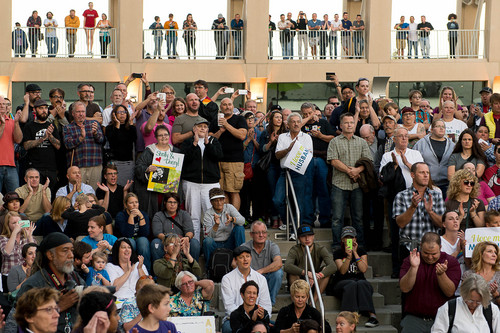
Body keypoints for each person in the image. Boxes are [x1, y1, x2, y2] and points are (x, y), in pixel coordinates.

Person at [16, 232, 85, 333]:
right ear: (50, 255)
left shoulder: (74, 277)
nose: (71, 255)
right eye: (65, 251)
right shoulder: (34, 284)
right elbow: (23, 319)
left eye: (72, 251)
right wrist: (58, 307)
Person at [399, 232, 461, 332]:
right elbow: (405, 288)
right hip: (414, 318)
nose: (430, 257)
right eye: (426, 253)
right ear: (420, 247)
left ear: (440, 248)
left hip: (442, 319)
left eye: (434, 254)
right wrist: (414, 268)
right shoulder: (410, 260)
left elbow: (449, 292)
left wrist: (441, 275)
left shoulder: (451, 262)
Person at [328, 112, 372, 248]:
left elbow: (367, 161)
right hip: (339, 184)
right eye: (346, 122)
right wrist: (349, 171)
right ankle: (337, 245)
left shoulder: (361, 142)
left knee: (358, 218)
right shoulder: (334, 142)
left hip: (357, 185)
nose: (349, 125)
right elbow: (333, 161)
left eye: (352, 123)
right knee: (337, 218)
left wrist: (357, 171)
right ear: (341, 125)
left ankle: (360, 245)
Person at [179, 118, 223, 242]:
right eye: (200, 126)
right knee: (193, 216)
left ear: (208, 130)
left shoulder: (214, 141)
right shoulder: (188, 142)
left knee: (210, 215)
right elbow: (185, 160)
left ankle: (211, 243)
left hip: (210, 184)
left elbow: (218, 156)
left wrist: (207, 144)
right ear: (194, 129)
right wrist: (194, 144)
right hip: (191, 182)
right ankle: (195, 245)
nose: (203, 128)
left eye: (205, 126)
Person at [393, 162, 445, 258]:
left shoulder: (436, 195)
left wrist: (430, 212)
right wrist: (412, 207)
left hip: (431, 251)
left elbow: (442, 224)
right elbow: (400, 223)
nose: (426, 175)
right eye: (422, 172)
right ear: (412, 175)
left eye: (427, 173)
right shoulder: (401, 196)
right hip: (408, 248)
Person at [332, 226, 379, 327]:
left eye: (351, 237)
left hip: (359, 282)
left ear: (355, 239)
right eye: (346, 237)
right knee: (352, 284)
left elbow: (363, 269)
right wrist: (348, 257)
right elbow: (343, 271)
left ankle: (372, 316)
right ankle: (348, 316)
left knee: (363, 283)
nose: (349, 240)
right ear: (342, 239)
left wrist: (355, 253)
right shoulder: (338, 253)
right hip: (341, 283)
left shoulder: (361, 252)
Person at [273, 112, 314, 227]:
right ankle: (288, 221)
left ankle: (296, 229)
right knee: (277, 200)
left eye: (298, 122)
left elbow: (308, 156)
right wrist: (289, 149)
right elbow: (277, 155)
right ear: (288, 124)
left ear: (301, 124)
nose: (296, 124)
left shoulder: (307, 138)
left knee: (299, 202)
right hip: (284, 172)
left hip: (299, 173)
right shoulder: (282, 137)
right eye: (293, 122)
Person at [221, 246, 271, 333]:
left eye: (247, 256)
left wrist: (261, 315)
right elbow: (229, 307)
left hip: (257, 319)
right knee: (228, 329)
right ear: (235, 260)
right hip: (234, 319)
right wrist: (249, 317)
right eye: (241, 257)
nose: (245, 260)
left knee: (272, 328)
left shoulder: (261, 278)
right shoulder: (227, 279)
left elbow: (266, 305)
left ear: (251, 258)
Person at [209, 98, 248, 210]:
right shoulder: (215, 120)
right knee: (222, 192)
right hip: (218, 161)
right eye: (224, 105)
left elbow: (241, 136)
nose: (227, 107)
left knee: (234, 191)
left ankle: (234, 220)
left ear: (233, 106)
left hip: (234, 161)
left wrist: (226, 124)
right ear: (221, 107)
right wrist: (220, 131)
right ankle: (225, 220)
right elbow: (210, 139)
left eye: (229, 104)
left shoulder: (239, 119)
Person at [134, 125, 179, 218]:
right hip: (153, 194)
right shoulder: (149, 151)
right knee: (154, 215)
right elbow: (138, 167)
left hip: (169, 191)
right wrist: (147, 169)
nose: (163, 137)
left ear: (169, 136)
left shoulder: (176, 152)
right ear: (156, 137)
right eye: (160, 135)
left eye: (166, 135)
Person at [284, 225, 335, 304]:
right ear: (299, 238)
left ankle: (312, 303)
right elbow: (287, 266)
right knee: (292, 273)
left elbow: (333, 266)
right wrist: (306, 273)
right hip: (300, 280)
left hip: (316, 281)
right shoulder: (295, 249)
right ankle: (300, 302)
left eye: (310, 235)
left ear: (313, 236)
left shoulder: (320, 249)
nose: (307, 239)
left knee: (326, 270)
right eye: (303, 236)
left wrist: (318, 276)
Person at [432, 273, 500, 332]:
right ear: (463, 294)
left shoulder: (492, 310)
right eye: (470, 300)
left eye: (478, 302)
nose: (474, 304)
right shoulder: (449, 308)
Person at [21, 99, 61, 195]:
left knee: (50, 194)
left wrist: (50, 136)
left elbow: (58, 146)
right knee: (35, 194)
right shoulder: (29, 126)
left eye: (46, 108)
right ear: (34, 110)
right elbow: (26, 146)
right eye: (41, 108)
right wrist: (42, 138)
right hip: (35, 168)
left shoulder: (51, 126)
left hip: (51, 168)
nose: (44, 110)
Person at [63, 101, 105, 190]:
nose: (81, 114)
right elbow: (67, 144)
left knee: (93, 193)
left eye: (83, 112)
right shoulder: (68, 128)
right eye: (78, 112)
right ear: (73, 113)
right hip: (78, 167)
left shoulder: (94, 124)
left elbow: (101, 140)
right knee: (77, 193)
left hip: (95, 164)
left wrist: (95, 133)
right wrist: (81, 138)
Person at [202, 188, 245, 267]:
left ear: (224, 200)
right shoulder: (208, 214)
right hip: (215, 244)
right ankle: (209, 268)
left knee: (240, 228)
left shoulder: (229, 207)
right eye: (216, 200)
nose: (219, 203)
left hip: (229, 242)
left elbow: (242, 221)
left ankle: (242, 258)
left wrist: (232, 219)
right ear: (211, 202)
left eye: (221, 200)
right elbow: (207, 236)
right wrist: (216, 225)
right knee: (207, 241)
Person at [243, 221, 283, 306]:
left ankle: (270, 303)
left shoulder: (272, 246)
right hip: (251, 279)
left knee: (278, 273)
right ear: (251, 234)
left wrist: (260, 271)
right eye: (257, 233)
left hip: (268, 278)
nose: (261, 235)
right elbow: (234, 263)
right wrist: (251, 273)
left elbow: (279, 263)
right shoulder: (244, 247)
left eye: (264, 232)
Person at [151, 193, 199, 262]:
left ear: (178, 204)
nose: (172, 205)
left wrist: (187, 238)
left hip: (181, 241)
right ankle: (158, 269)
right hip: (166, 241)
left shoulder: (184, 214)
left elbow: (190, 231)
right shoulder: (158, 215)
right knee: (155, 242)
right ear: (165, 203)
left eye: (175, 202)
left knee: (195, 243)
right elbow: (157, 233)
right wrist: (168, 240)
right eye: (170, 202)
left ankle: (192, 268)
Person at [258, 110, 286, 228]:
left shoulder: (286, 132)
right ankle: (274, 217)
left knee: (282, 194)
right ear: (271, 119)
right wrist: (271, 141)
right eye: (276, 117)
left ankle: (283, 217)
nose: (279, 119)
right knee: (273, 192)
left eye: (281, 117)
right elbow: (262, 149)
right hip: (271, 165)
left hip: (284, 165)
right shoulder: (265, 132)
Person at [414, 119, 455, 194]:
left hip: (447, 185)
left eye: (443, 126)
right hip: (428, 184)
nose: (441, 128)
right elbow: (415, 163)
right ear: (432, 129)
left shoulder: (452, 145)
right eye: (438, 126)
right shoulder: (421, 143)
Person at [105, 237, 148, 308]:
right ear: (117, 250)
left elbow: (147, 286)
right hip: (119, 302)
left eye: (129, 247)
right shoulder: (110, 266)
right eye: (123, 247)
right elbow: (114, 287)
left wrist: (140, 269)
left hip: (139, 301)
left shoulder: (139, 265)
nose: (127, 250)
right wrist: (128, 272)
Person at [114, 193, 152, 272]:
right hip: (124, 239)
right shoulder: (121, 216)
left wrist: (141, 217)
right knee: (130, 242)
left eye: (136, 202)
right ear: (126, 205)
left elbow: (145, 234)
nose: (134, 205)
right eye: (131, 203)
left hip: (139, 239)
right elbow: (128, 235)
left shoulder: (143, 214)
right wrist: (131, 217)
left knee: (143, 241)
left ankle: (146, 271)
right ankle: (130, 270)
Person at [0, 212, 36, 290]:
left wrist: (30, 236)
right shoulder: (3, 238)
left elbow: (35, 253)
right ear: (8, 225)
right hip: (8, 274)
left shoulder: (26, 237)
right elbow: (6, 253)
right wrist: (14, 233)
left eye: (19, 222)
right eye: (14, 223)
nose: (17, 225)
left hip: (26, 273)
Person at [105, 105, 137, 186]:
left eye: (124, 112)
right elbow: (114, 141)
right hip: (114, 163)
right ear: (114, 114)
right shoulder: (109, 128)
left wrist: (131, 123)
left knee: (127, 187)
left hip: (128, 163)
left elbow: (133, 141)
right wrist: (117, 125)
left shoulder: (131, 128)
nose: (122, 114)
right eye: (119, 112)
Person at [462, 242, 500, 307]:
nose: (494, 255)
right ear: (480, 254)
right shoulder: (468, 275)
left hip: (494, 315)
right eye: (490, 251)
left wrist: (495, 294)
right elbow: (463, 300)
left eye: (495, 252)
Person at [0, 96, 22, 193]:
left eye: (4, 104)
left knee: (14, 197)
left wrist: (16, 123)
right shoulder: (5, 123)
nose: (2, 106)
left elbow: (18, 139)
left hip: (10, 165)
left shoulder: (12, 121)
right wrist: (3, 125)